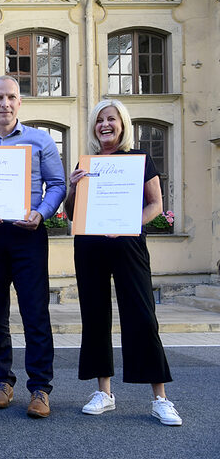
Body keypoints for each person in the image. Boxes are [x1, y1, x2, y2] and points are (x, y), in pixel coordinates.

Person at [65, 99, 182, 426]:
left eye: (111, 119)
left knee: (142, 316)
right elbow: (73, 212)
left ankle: (160, 398)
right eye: (100, 120)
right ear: (94, 126)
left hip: (128, 244)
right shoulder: (87, 162)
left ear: (123, 124)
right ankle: (104, 392)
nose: (105, 125)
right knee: (95, 315)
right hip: (90, 245)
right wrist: (73, 187)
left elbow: (155, 205)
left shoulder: (138, 159)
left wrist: (128, 226)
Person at [0, 75, 65, 418]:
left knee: (35, 311)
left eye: (11, 97)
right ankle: (2, 381)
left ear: (20, 103)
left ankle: (39, 389)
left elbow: (58, 184)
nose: (5, 103)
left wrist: (41, 213)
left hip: (28, 235)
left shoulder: (40, 141)